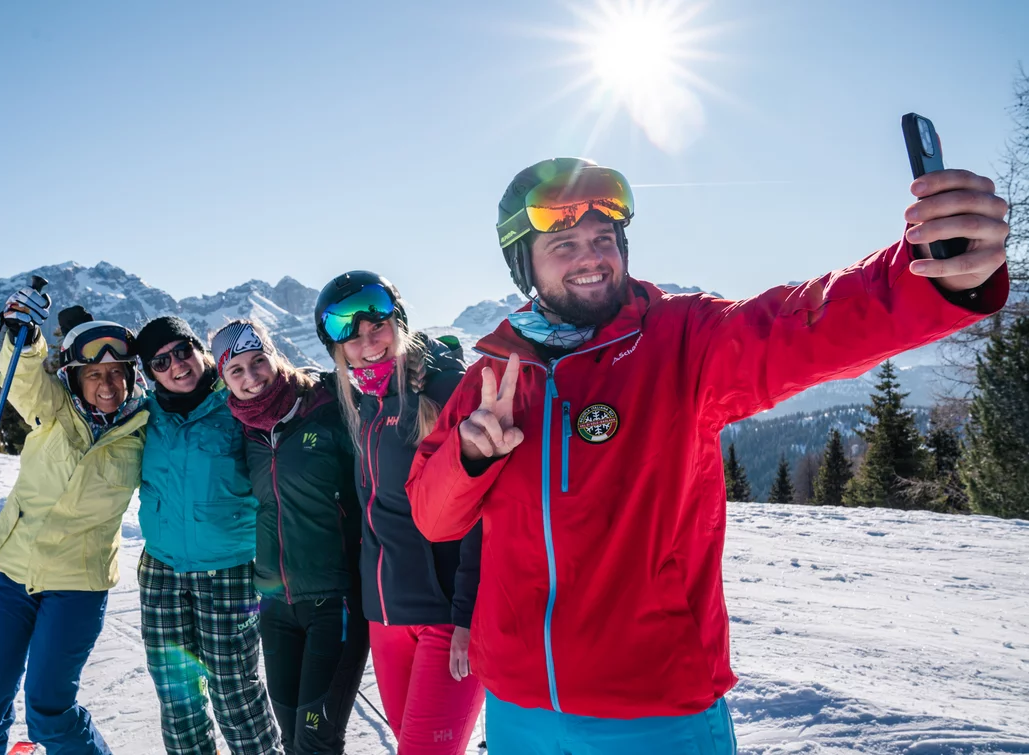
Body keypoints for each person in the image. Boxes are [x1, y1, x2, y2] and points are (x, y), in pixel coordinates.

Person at [406, 157, 1010, 753]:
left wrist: (929, 273)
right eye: (564, 244)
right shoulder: (495, 375)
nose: (591, 256)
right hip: (517, 707)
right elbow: (433, 518)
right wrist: (468, 455)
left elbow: (803, 326)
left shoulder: (681, 339)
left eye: (604, 238)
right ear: (524, 264)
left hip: (656, 708)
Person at [0, 295, 148, 755]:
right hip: (7, 572)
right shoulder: (54, 407)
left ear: (131, 376)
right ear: (74, 377)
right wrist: (24, 338)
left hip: (77, 586)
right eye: (95, 374)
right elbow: (23, 378)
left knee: (49, 713)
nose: (107, 384)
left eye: (117, 373)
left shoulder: (146, 429)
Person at [314, 272, 484, 754]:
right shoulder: (365, 404)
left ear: (398, 321)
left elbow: (482, 509)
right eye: (352, 337)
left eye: (379, 326)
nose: (369, 343)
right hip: (386, 620)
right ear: (338, 351)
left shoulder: (446, 389)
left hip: (446, 616)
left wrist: (470, 615)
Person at [211, 319, 368, 755]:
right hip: (275, 606)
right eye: (236, 370)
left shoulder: (328, 405)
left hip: (333, 601)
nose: (251, 377)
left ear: (274, 356)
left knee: (316, 739)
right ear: (223, 377)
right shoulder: (241, 429)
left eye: (258, 361)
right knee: (291, 739)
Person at [135, 316, 282, 755]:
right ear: (148, 372)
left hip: (231, 568)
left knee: (233, 687)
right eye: (161, 361)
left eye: (183, 351)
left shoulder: (238, 402)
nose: (177, 365)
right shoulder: (143, 413)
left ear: (201, 351)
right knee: (176, 694)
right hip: (162, 570)